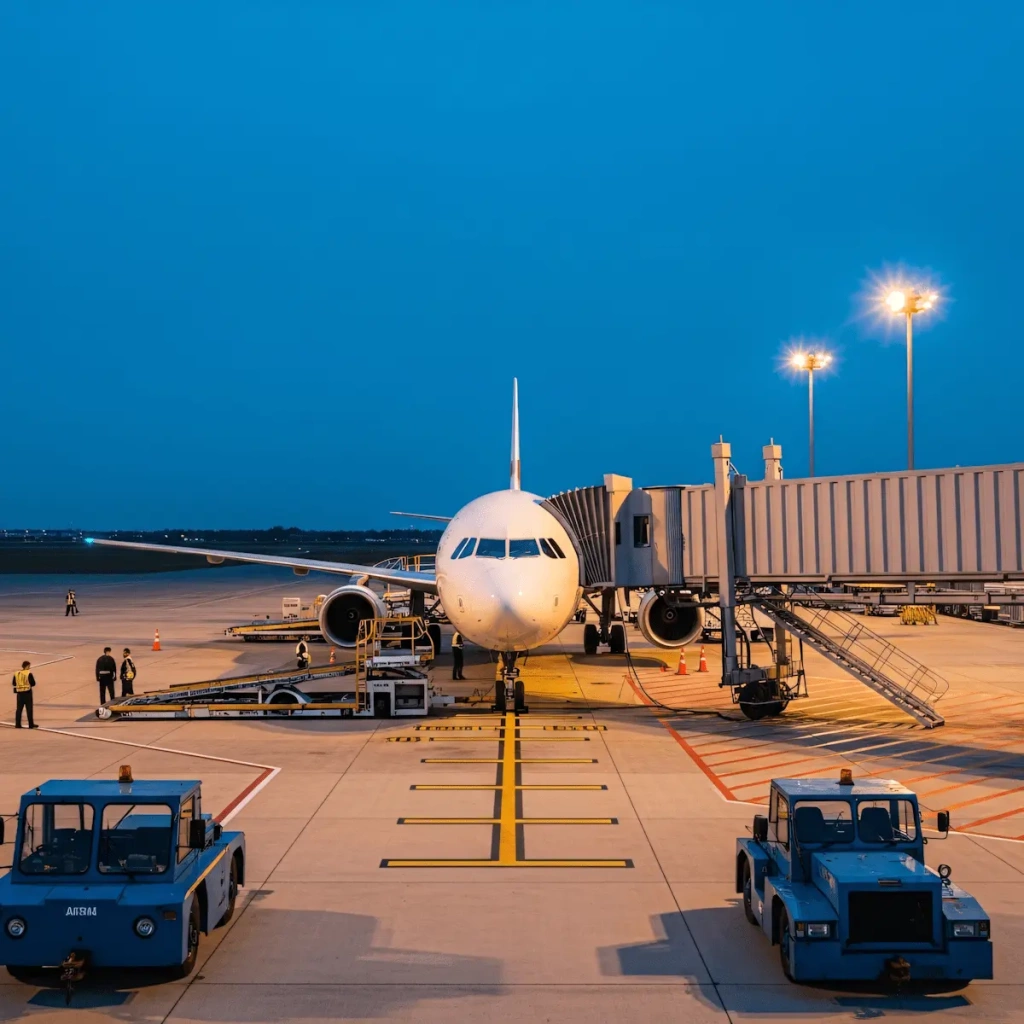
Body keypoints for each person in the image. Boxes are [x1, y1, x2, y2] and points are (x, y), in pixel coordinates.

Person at [12, 660, 38, 729]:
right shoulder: (28, 673)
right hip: (27, 693)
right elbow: (33, 683)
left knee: (19, 709)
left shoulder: (17, 673)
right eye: (29, 666)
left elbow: (14, 683)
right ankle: (30, 724)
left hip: (19, 693)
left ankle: (17, 724)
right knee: (29, 709)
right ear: (27, 666)